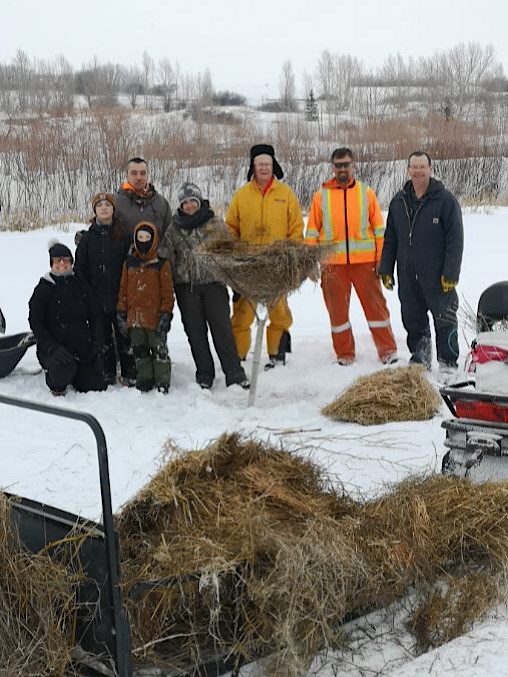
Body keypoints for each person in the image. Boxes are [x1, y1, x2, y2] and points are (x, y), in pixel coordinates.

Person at [306, 147, 397, 365]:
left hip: (365, 264)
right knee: (337, 315)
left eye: (346, 164)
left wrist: (380, 261)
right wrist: (310, 262)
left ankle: (388, 351)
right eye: (338, 165)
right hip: (332, 266)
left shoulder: (366, 193)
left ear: (353, 166)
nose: (342, 169)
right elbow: (311, 232)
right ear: (332, 167)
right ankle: (344, 354)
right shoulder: (321, 197)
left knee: (376, 309)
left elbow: (379, 231)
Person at [379, 151, 463, 376]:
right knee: (413, 320)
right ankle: (420, 359)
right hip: (407, 275)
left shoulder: (445, 201)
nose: (418, 171)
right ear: (408, 170)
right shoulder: (398, 201)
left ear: (430, 169)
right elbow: (391, 239)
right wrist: (386, 269)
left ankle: (448, 364)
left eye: (422, 167)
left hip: (437, 276)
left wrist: (451, 273)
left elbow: (455, 239)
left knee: (445, 318)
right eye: (414, 167)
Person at [159, 182, 249, 390]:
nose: (189, 205)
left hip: (214, 285)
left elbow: (229, 254)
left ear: (199, 201)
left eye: (193, 200)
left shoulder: (215, 223)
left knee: (222, 330)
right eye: (185, 202)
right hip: (186, 287)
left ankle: (234, 373)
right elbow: (166, 258)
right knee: (195, 332)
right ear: (180, 205)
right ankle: (204, 373)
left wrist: (236, 285)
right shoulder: (173, 229)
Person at [225, 144, 304, 369]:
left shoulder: (285, 194)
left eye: (267, 164)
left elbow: (296, 228)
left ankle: (276, 357)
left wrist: (290, 254)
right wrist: (235, 254)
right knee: (242, 316)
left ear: (273, 166)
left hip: (276, 264)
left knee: (279, 313)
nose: (264, 168)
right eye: (260, 164)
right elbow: (231, 227)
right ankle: (238, 358)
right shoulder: (242, 195)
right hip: (248, 266)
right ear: (253, 166)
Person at [74, 193, 136, 387]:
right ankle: (108, 373)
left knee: (124, 337)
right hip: (96, 298)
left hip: (120, 296)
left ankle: (129, 374)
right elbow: (80, 268)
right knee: (103, 339)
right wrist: (87, 293)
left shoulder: (123, 234)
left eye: (107, 205)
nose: (103, 208)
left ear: (113, 209)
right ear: (95, 211)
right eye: (99, 205)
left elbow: (131, 264)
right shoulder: (87, 238)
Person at [28, 241, 106, 396]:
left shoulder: (80, 283)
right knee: (61, 373)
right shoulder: (44, 287)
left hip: (80, 347)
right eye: (57, 260)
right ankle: (54, 377)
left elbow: (95, 315)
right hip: (54, 349)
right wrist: (50, 347)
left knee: (95, 384)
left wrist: (96, 344)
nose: (62, 264)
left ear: (71, 262)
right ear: (51, 263)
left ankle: (78, 372)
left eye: (66, 260)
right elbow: (36, 321)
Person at [117, 221, 174, 393]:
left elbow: (167, 293)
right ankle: (145, 378)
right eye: (140, 237)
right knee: (140, 350)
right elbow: (123, 289)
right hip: (134, 318)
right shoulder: (129, 263)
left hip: (155, 317)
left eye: (147, 237)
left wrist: (166, 314)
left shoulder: (161, 264)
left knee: (159, 350)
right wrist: (121, 312)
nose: (143, 241)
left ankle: (162, 379)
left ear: (154, 240)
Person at [115, 157, 171, 237]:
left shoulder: (161, 203)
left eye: (143, 173)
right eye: (134, 173)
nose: (139, 177)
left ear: (147, 175)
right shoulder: (115, 203)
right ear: (126, 176)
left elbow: (170, 238)